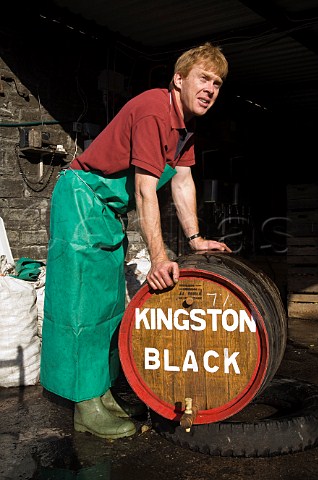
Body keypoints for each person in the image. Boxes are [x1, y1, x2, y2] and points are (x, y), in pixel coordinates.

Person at [40, 42, 232, 440]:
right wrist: (159, 258)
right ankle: (83, 405)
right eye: (203, 78)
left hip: (107, 210)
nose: (210, 89)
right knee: (80, 303)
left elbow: (181, 181)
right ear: (178, 80)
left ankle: (100, 391)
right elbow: (146, 190)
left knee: (109, 303)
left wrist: (195, 239)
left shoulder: (186, 127)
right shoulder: (153, 111)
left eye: (217, 83)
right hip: (81, 200)